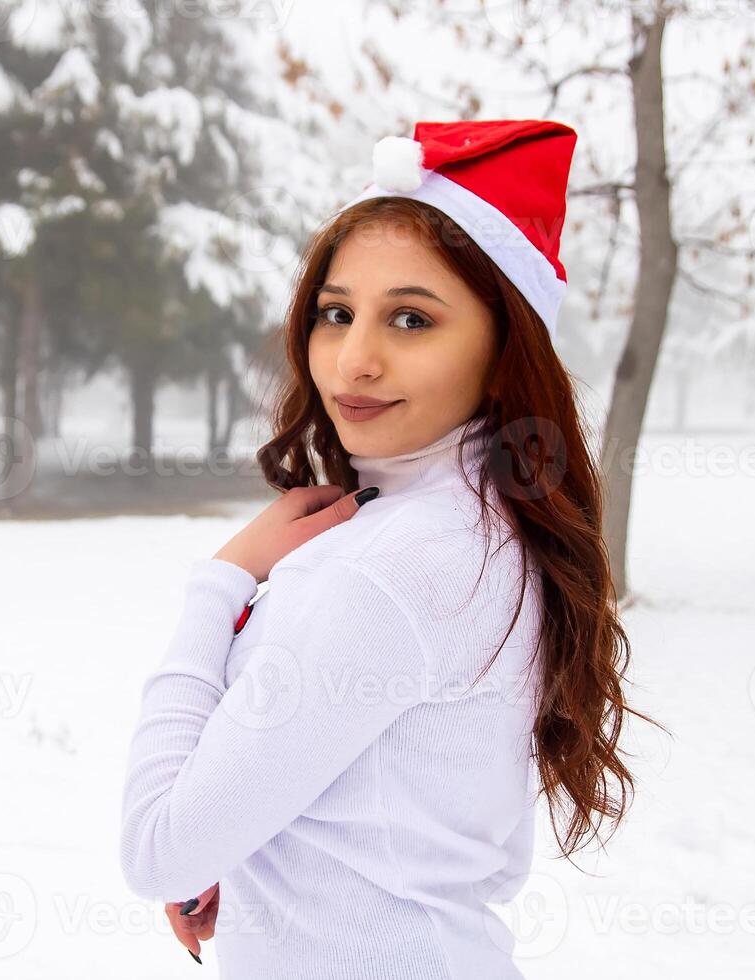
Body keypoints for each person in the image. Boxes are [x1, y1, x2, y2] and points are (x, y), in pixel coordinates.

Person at [119, 119, 655, 978]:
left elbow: (157, 849)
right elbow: (403, 803)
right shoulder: (479, 521)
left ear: (505, 342)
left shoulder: (399, 565)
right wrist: (263, 858)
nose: (353, 359)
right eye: (337, 313)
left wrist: (219, 582)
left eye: (411, 318)